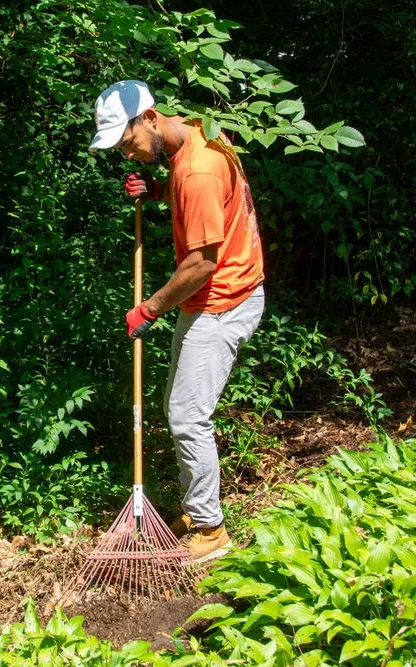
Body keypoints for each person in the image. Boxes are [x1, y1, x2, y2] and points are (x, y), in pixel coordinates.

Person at [88, 80, 266, 563]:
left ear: (148, 119)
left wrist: (148, 309)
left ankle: (210, 530)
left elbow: (201, 264)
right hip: (218, 294)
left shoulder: (198, 172)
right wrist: (159, 189)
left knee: (187, 415)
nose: (128, 155)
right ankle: (196, 507)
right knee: (179, 407)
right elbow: (201, 203)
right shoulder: (196, 135)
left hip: (222, 299)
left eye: (128, 143)